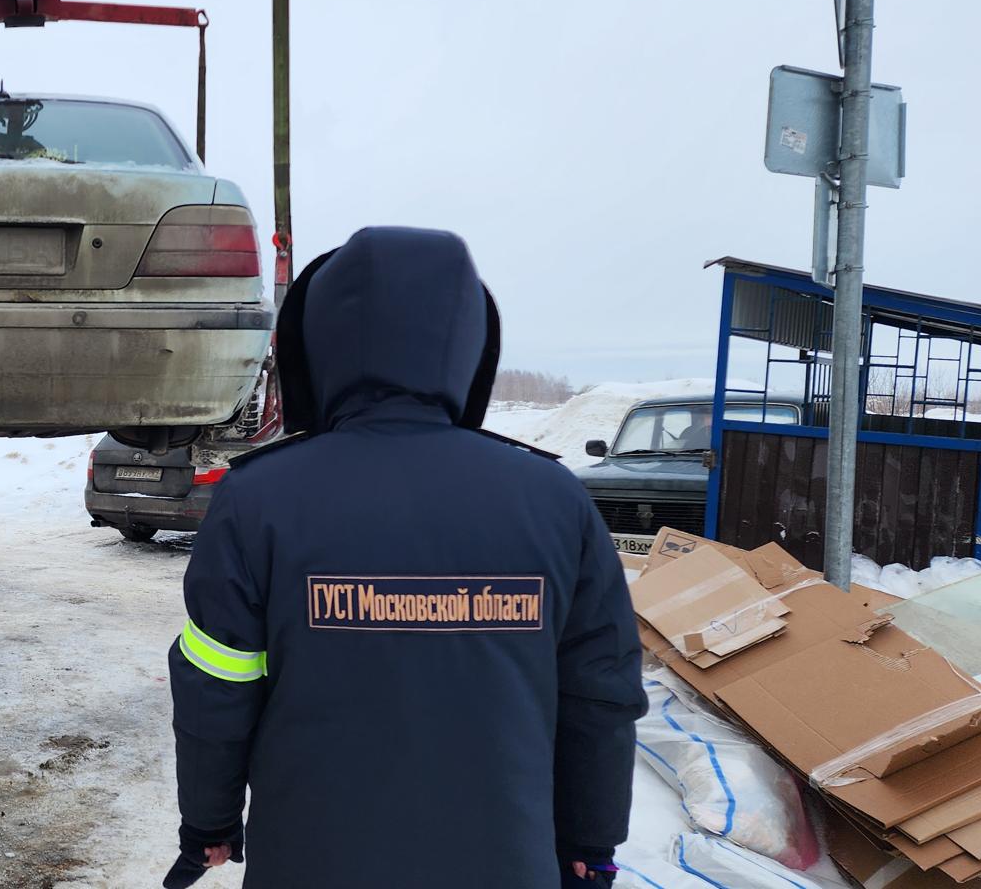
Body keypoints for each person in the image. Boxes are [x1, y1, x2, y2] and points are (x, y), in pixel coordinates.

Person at [163, 227, 643, 888]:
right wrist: (590, 839)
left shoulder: (259, 500)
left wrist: (210, 821)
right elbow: (600, 692)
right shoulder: (554, 501)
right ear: (466, 346)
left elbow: (214, 685)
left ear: (320, 341)